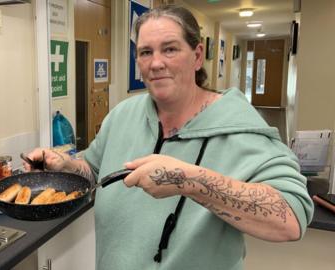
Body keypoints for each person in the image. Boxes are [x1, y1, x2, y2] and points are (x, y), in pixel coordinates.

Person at [24, 5, 314, 270]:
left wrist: (188, 181)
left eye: (170, 49)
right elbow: (97, 171)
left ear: (197, 56)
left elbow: (290, 218)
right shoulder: (123, 114)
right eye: (146, 52)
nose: (156, 63)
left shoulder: (239, 128)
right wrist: (65, 165)